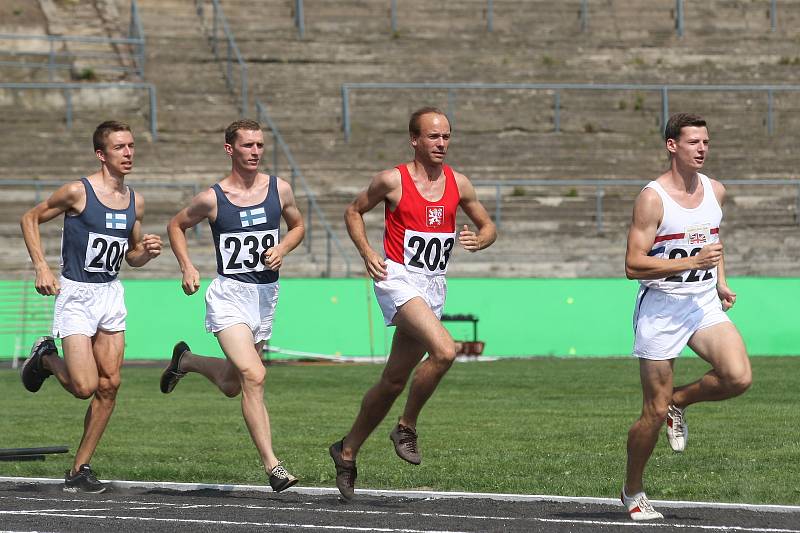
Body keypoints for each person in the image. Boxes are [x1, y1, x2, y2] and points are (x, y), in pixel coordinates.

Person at [330, 107, 497, 500]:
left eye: (446, 137)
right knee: (445, 350)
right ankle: (406, 425)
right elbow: (353, 211)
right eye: (433, 137)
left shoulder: (460, 183)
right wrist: (366, 250)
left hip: (434, 286)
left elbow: (489, 226)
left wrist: (480, 238)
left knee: (391, 381)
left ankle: (346, 450)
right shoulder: (392, 179)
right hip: (398, 280)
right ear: (414, 140)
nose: (441, 143)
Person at [160, 119, 305, 493]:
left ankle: (185, 361)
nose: (256, 151)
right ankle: (273, 466)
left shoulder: (279, 189)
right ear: (230, 149)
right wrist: (188, 266)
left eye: (260, 145)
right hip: (229, 295)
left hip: (265, 296)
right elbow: (176, 225)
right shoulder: (213, 197)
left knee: (230, 383)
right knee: (254, 376)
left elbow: (298, 226)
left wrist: (283, 247)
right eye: (248, 145)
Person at [19, 120, 162, 493]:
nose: (129, 153)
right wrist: (41, 266)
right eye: (120, 147)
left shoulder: (135, 201)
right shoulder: (77, 192)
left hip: (110, 294)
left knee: (110, 385)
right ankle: (46, 357)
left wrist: (144, 253)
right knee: (84, 387)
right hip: (77, 294)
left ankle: (80, 467)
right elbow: (29, 217)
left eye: (131, 146)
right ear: (102, 154)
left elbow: (130, 257)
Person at [622, 113, 751, 520]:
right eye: (693, 142)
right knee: (652, 413)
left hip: (701, 303)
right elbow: (632, 265)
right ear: (672, 145)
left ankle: (680, 402)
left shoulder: (716, 190)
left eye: (706, 142)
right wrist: (692, 261)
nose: (702, 149)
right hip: (662, 308)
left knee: (738, 376)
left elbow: (714, 238)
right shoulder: (652, 197)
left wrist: (719, 281)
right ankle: (632, 490)